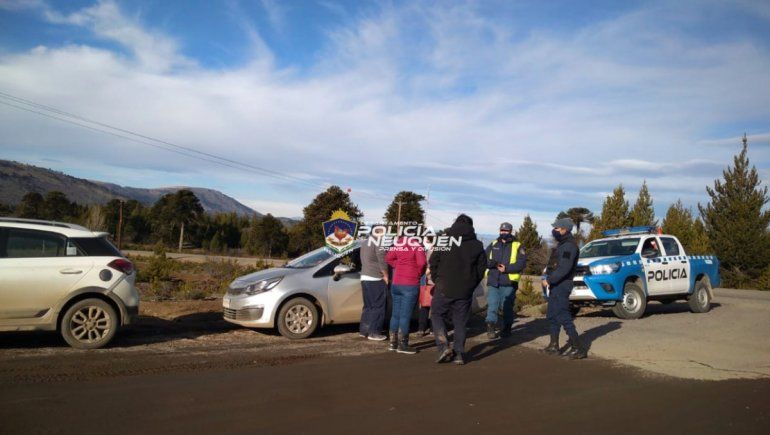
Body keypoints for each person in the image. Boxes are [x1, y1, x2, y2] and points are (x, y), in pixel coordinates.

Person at [429, 214, 487, 365]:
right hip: (465, 290)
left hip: (444, 286)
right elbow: (481, 268)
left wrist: (437, 280)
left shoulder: (444, 240)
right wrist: (472, 284)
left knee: (437, 314)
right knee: (460, 322)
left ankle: (443, 346)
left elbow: (433, 262)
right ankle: (459, 354)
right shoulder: (477, 245)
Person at [542, 218, 587, 359]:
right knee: (552, 315)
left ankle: (578, 348)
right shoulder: (561, 245)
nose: (554, 230)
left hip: (562, 285)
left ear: (564, 229)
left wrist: (549, 280)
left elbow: (564, 269)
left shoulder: (569, 246)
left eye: (556, 228)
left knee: (563, 315)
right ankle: (554, 346)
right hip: (556, 285)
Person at [385, 233, 427, 354]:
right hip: (410, 283)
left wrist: (398, 265)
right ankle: (403, 345)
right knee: (405, 315)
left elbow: (388, 258)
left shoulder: (398, 244)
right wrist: (417, 273)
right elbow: (422, 263)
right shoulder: (416, 245)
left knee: (395, 314)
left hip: (396, 282)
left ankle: (393, 343)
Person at [484, 222, 527, 339]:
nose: (503, 232)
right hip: (493, 280)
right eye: (502, 230)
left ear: (511, 232)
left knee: (506, 307)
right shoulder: (493, 244)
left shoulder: (518, 245)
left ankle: (507, 328)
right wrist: (493, 264)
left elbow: (521, 263)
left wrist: (506, 269)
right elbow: (483, 259)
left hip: (509, 282)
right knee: (492, 305)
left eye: (506, 231)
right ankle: (490, 328)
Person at [358, 225, 389, 341]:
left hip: (364, 276)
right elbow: (382, 260)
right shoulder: (378, 242)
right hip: (375, 277)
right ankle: (374, 332)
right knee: (378, 306)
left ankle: (364, 330)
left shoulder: (365, 242)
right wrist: (385, 275)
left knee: (368, 306)